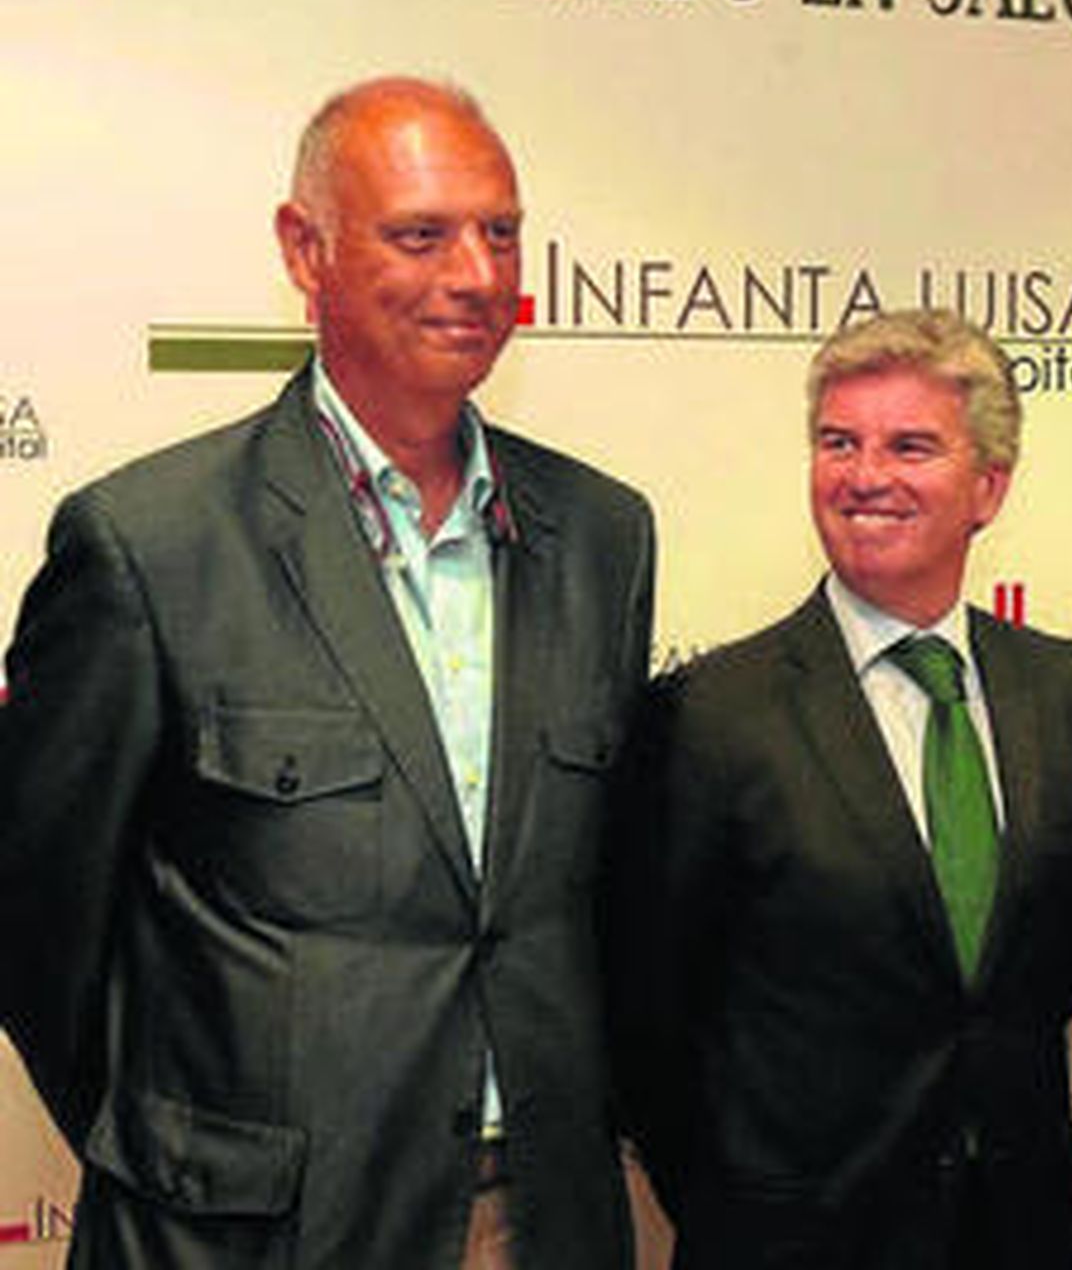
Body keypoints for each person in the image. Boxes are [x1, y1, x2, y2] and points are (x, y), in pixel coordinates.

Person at [0, 76, 654, 1270]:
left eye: (499, 231)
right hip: (256, 1233)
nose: (475, 272)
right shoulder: (149, 544)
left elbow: (600, 897)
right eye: (422, 233)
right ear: (306, 250)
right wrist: (190, 1150)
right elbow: (36, 917)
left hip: (542, 1215)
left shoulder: (602, 533)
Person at [609, 309, 1072, 1270]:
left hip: (1023, 1230)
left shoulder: (1067, 690)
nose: (865, 475)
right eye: (839, 443)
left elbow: (1068, 949)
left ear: (990, 488)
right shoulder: (713, 713)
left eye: (910, 446)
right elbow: (648, 1021)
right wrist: (739, 1210)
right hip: (795, 1242)